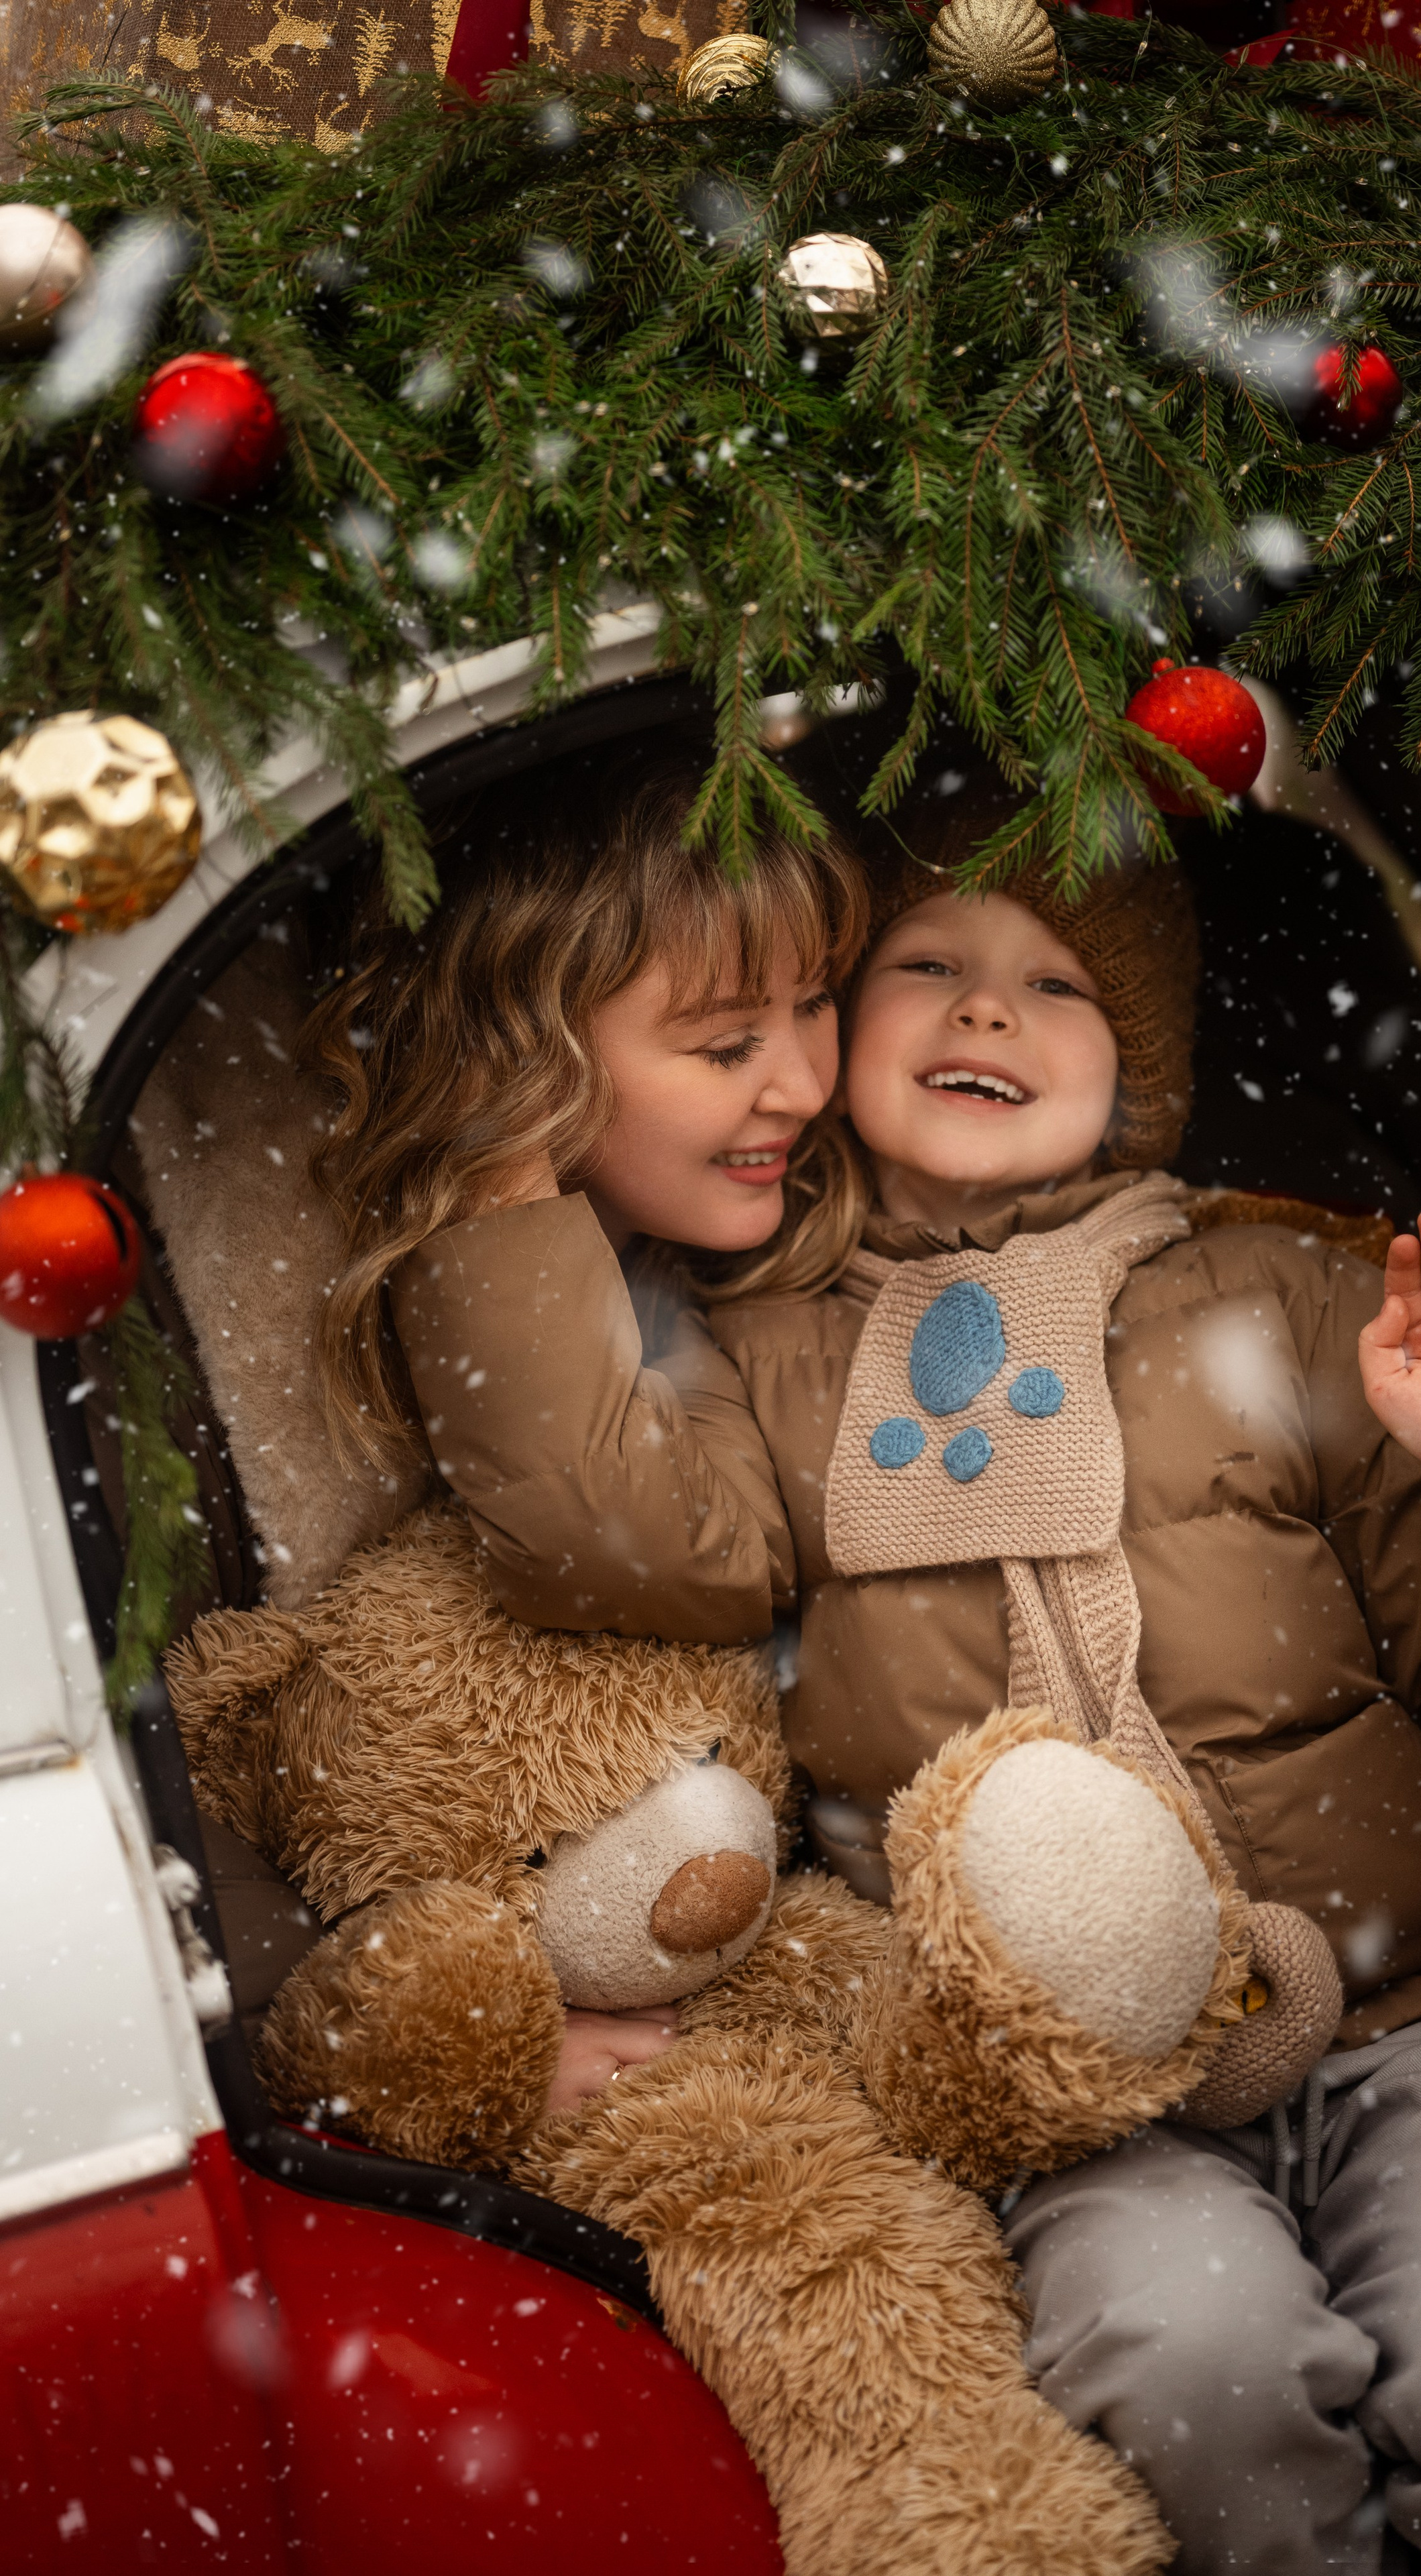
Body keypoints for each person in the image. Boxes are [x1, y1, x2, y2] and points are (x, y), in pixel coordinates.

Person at [378, 772, 1421, 2574]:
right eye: (930, 960)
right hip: (1064, 2094)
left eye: (1059, 984)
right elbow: (606, 1536)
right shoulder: (759, 1359)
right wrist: (513, 1166)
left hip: (1417, 2023)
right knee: (1188, 2373)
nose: (991, 1004)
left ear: (1135, 1067)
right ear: (847, 1042)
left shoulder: (1283, 1297)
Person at [300, 748, 866, 2109]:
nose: (795, 1081)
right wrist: (500, 1175)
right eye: (726, 1043)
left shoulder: (729, 1264)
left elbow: (686, 1555)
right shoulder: (518, 1264)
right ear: (531, 1068)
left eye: (816, 1005)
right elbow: (618, 1539)